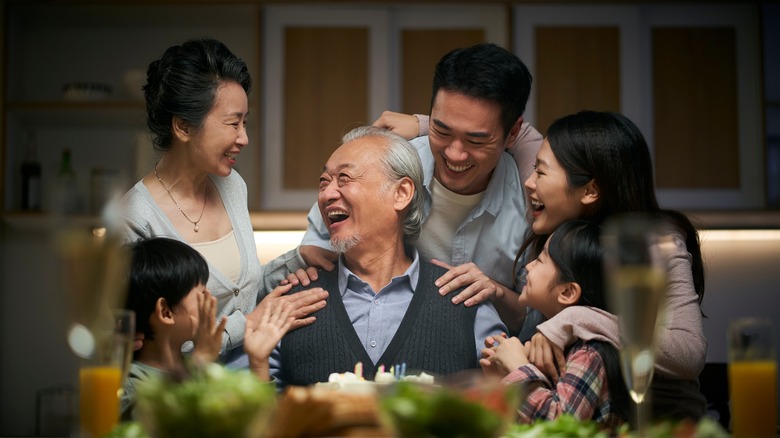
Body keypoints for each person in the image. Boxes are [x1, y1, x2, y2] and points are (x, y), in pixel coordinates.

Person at [301, 43, 538, 334]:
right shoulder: (384, 165)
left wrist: (496, 293)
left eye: (476, 141)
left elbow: (535, 318)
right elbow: (315, 250)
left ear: (513, 132)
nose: (454, 154)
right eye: (441, 131)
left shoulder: (532, 203)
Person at [119, 38, 327, 363]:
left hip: (256, 374)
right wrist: (249, 325)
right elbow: (147, 351)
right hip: (192, 398)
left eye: (245, 123)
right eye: (233, 123)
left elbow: (235, 293)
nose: (243, 137)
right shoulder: (134, 218)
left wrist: (296, 259)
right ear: (184, 126)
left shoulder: (232, 187)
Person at [270, 126, 507, 387]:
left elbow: (507, 402)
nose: (326, 194)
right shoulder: (291, 300)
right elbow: (257, 414)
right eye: (324, 182)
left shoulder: (466, 299)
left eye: (345, 178)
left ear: (401, 193)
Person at [519, 110, 707, 420]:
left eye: (540, 172)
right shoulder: (565, 239)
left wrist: (575, 319)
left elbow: (688, 353)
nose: (528, 182)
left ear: (590, 190)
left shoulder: (655, 245)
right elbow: (507, 131)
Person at [120, 237, 293, 419]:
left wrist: (258, 362)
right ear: (165, 312)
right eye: (201, 294)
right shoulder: (132, 387)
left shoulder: (192, 366)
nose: (211, 300)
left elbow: (255, 427)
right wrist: (200, 363)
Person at [480, 220, 630, 427]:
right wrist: (502, 381)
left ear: (567, 292)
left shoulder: (589, 353)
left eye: (540, 260)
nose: (528, 265)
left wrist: (517, 367)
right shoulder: (550, 343)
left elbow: (560, 425)